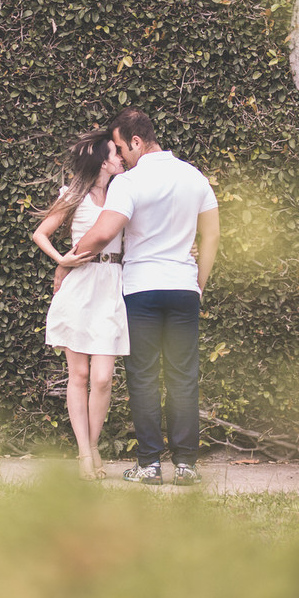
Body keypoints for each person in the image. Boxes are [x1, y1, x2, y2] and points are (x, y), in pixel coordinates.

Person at [74, 109, 219, 486]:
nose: (119, 156)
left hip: (141, 289)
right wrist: (198, 282)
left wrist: (66, 261)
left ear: (137, 142)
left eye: (121, 147)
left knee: (143, 377)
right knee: (183, 375)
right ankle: (186, 465)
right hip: (184, 288)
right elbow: (212, 237)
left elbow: (104, 233)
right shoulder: (195, 177)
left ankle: (149, 464)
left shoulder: (129, 182)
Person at [32, 129, 129, 480]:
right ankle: (86, 454)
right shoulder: (73, 194)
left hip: (111, 285)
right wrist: (63, 259)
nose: (121, 156)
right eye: (116, 152)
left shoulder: (123, 193)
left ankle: (92, 446)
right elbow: (40, 233)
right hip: (80, 285)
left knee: (103, 378)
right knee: (80, 374)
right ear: (103, 161)